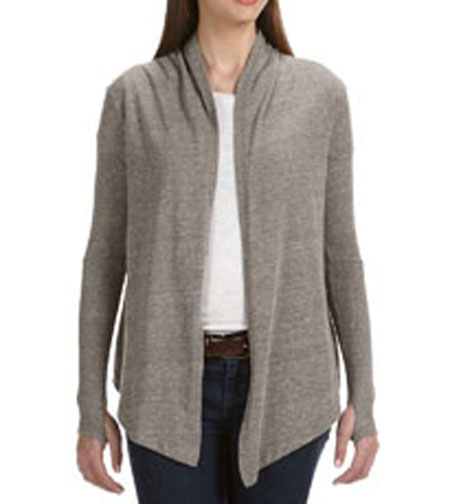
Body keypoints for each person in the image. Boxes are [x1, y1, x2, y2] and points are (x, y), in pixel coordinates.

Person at [76, 1, 380, 502]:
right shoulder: (135, 97)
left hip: (291, 387)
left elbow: (341, 255)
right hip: (162, 388)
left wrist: (363, 397)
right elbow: (106, 256)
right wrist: (90, 405)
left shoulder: (318, 95)